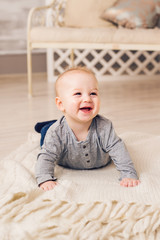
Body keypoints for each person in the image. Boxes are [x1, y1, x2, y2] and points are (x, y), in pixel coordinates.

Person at [35, 67, 140, 191]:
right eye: (78, 93)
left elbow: (118, 149)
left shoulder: (105, 127)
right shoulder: (56, 132)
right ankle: (44, 127)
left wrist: (128, 174)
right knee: (46, 135)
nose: (87, 99)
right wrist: (45, 178)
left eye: (93, 93)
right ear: (61, 104)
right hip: (60, 149)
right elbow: (46, 156)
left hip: (100, 161)